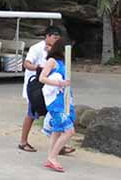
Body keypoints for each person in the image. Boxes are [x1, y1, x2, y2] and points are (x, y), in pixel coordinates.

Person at [18, 26, 74, 154]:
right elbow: (26, 64)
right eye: (54, 37)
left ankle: (58, 146)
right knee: (32, 114)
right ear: (47, 36)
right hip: (36, 87)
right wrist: (38, 67)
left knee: (53, 115)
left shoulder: (56, 50)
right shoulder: (36, 48)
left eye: (57, 39)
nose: (55, 40)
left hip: (51, 89)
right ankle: (23, 141)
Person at [39, 38, 76, 173]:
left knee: (57, 130)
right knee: (69, 131)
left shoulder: (62, 63)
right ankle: (53, 157)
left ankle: (51, 157)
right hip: (55, 103)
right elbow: (42, 78)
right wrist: (59, 84)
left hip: (64, 100)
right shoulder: (52, 61)